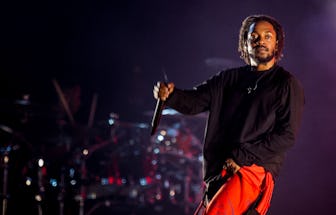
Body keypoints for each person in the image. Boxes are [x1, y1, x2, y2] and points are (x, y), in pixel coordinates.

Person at [153, 14, 304, 215]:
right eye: (255, 37)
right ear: (245, 43)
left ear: (277, 43)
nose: (261, 41)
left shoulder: (286, 84)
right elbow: (194, 101)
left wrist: (241, 157)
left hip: (250, 170)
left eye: (268, 36)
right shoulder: (229, 79)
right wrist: (171, 96)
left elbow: (286, 135)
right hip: (219, 171)